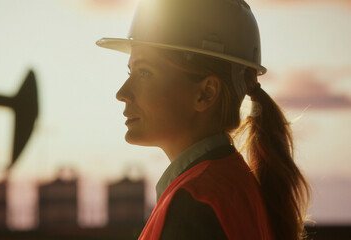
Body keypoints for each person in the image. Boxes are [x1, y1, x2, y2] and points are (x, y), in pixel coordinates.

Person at [96, 0, 311, 239]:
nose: (122, 93)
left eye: (145, 72)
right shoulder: (230, 186)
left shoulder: (193, 204)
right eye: (131, 72)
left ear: (206, 93)